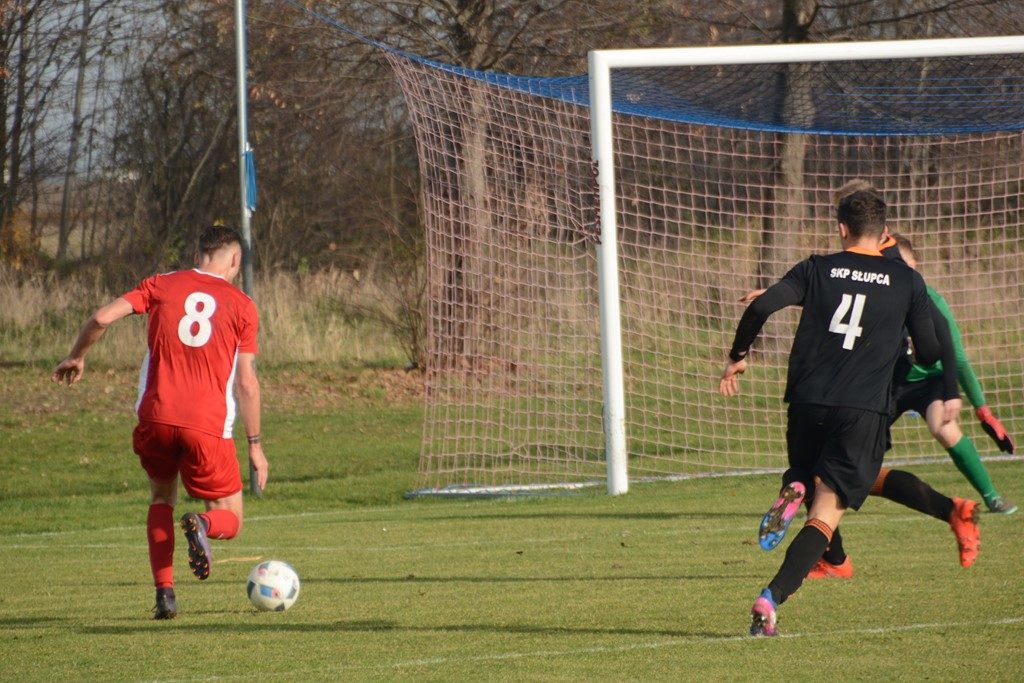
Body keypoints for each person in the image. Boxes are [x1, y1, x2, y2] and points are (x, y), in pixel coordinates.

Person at [720, 188, 946, 636]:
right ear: (884, 232)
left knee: (806, 472)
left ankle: (797, 482)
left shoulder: (816, 268)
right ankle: (770, 598)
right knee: (825, 516)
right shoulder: (907, 281)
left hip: (807, 402)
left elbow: (763, 305)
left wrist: (737, 356)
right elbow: (930, 351)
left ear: (842, 228)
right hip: (861, 410)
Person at [52, 225, 268, 620]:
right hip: (207, 425)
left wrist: (77, 355)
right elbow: (247, 383)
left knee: (161, 500)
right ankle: (202, 522)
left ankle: (165, 594)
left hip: (156, 416)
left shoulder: (161, 284)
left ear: (198, 254)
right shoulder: (242, 305)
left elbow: (101, 317)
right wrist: (255, 445)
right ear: (235, 260)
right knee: (232, 518)